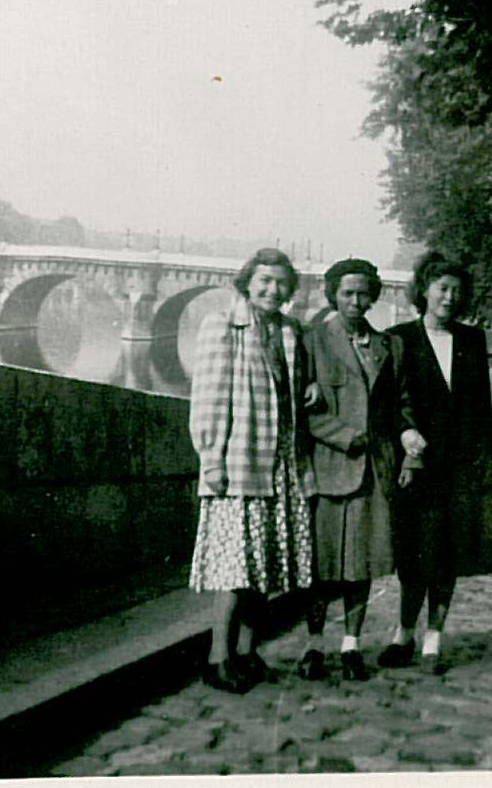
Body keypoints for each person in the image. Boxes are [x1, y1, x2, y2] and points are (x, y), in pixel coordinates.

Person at [188, 247, 315, 694]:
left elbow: (290, 389)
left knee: (263, 565)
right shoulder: (222, 325)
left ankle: (246, 651)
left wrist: (310, 388)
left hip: (279, 464)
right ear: (247, 282)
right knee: (235, 568)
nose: (272, 290)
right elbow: (208, 396)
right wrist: (211, 459)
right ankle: (217, 658)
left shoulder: (289, 330)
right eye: (264, 280)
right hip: (238, 463)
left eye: (281, 283)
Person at [378, 251, 492, 675]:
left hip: (460, 468)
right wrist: (403, 434)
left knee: (448, 557)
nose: (450, 297)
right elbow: (386, 403)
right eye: (442, 288)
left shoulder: (472, 341)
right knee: (414, 557)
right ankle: (403, 634)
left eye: (457, 291)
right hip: (416, 467)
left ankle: (433, 639)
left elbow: (481, 410)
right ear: (424, 291)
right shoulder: (398, 338)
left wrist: (483, 467)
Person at [298, 258, 400, 682]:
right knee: (321, 567)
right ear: (333, 296)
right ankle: (314, 644)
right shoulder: (312, 341)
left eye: (363, 294)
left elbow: (397, 406)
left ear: (373, 297)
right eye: (347, 294)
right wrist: (345, 437)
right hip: (328, 470)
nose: (356, 302)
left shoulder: (387, 345)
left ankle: (351, 645)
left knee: (361, 563)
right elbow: (301, 411)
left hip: (373, 474)